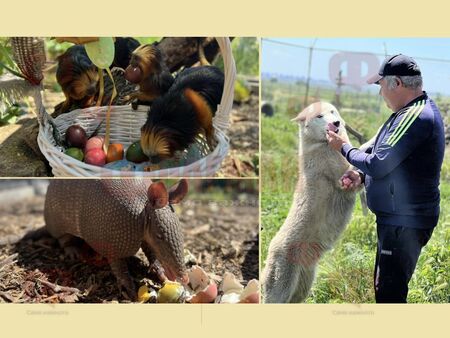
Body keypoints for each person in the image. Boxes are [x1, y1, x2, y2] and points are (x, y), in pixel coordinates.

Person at [326, 54, 445, 303]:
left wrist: (344, 147)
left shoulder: (415, 116)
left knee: (389, 295)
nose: (380, 93)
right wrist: (359, 173)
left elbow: (378, 164)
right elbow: (389, 158)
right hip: (399, 220)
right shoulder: (408, 113)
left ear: (397, 84)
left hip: (404, 223)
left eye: (381, 86)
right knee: (386, 289)